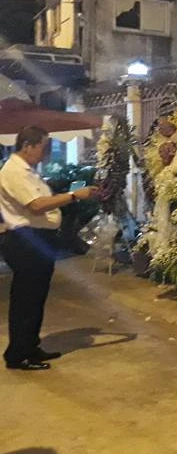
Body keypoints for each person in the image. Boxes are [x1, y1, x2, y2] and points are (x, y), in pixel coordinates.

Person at [0, 126, 98, 370]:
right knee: (26, 300)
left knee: (35, 298)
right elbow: (36, 205)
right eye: (43, 147)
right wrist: (74, 195)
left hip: (37, 239)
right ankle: (18, 354)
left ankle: (30, 346)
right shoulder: (14, 171)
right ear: (27, 146)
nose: (45, 153)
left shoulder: (28, 171)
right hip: (26, 239)